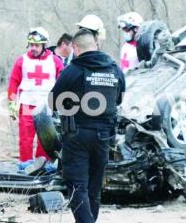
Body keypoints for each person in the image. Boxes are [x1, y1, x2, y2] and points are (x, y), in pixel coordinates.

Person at [49, 28, 125, 223]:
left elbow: (53, 101)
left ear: (75, 47)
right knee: (94, 187)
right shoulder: (115, 69)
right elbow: (118, 99)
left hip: (77, 135)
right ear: (96, 45)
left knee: (77, 186)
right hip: (105, 137)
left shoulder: (73, 70)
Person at [7, 27, 64, 162]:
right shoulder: (22, 60)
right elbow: (13, 83)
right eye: (31, 44)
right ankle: (25, 165)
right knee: (25, 139)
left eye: (37, 45)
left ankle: (41, 166)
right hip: (27, 103)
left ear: (44, 45)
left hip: (47, 106)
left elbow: (63, 83)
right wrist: (11, 104)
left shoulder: (55, 61)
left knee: (45, 140)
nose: (33, 48)